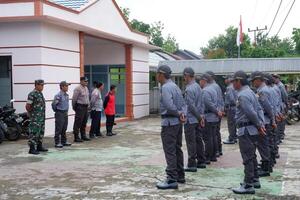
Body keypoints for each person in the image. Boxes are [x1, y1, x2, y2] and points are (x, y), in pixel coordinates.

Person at [232, 71, 265, 195]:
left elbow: (250, 112)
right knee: (252, 156)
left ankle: (248, 184)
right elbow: (259, 109)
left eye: (233, 81)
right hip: (252, 129)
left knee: (247, 158)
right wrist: (260, 124)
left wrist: (259, 124)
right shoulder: (251, 92)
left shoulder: (243, 95)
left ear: (238, 81)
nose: (232, 84)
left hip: (246, 130)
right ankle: (255, 179)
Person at [156, 65, 187, 190]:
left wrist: (179, 113)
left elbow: (169, 105)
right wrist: (182, 114)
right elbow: (183, 104)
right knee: (177, 149)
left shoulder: (165, 87)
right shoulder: (175, 86)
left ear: (161, 74)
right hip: (177, 123)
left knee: (170, 150)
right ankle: (180, 175)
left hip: (169, 122)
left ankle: (171, 179)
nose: (157, 76)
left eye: (157, 74)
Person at [250, 71, 276, 177]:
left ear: (258, 80)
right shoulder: (263, 90)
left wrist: (272, 120)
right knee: (264, 144)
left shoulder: (262, 91)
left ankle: (266, 168)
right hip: (266, 120)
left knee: (263, 145)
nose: (252, 83)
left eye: (253, 81)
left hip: (265, 121)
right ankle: (266, 165)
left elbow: (268, 108)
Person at [182, 67, 206, 172]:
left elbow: (191, 106)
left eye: (184, 76)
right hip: (197, 119)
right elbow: (201, 103)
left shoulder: (189, 89)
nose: (184, 78)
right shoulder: (197, 87)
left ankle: (192, 164)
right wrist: (201, 117)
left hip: (191, 119)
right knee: (198, 140)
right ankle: (201, 161)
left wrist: (199, 117)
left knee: (191, 142)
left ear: (187, 75)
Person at [199, 73, 223, 163]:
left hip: (209, 116)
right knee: (213, 137)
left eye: (200, 81)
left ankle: (208, 157)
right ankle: (213, 155)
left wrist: (216, 111)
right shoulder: (213, 89)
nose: (199, 83)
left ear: (204, 81)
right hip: (214, 117)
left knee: (208, 138)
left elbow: (208, 104)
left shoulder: (205, 91)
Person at [26, 79, 48, 155]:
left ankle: (39, 146)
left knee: (41, 132)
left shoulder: (40, 93)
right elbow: (28, 106)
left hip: (41, 118)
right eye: (41, 85)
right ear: (37, 85)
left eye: (43, 85)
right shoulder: (32, 94)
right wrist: (32, 114)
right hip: (35, 118)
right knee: (34, 133)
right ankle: (32, 149)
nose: (42, 87)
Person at [206, 71, 224, 156]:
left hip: (215, 112)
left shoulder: (213, 86)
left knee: (215, 133)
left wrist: (219, 111)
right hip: (217, 111)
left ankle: (217, 150)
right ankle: (218, 150)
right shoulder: (215, 86)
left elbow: (217, 101)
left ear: (211, 77)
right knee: (216, 132)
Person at [52, 81, 72, 148]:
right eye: (66, 86)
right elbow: (54, 104)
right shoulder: (58, 95)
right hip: (60, 113)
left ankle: (64, 141)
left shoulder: (66, 95)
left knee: (64, 128)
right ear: (62, 87)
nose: (67, 87)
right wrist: (57, 111)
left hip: (65, 113)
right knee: (59, 128)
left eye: (67, 86)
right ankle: (57, 142)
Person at [72, 77, 90, 142]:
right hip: (80, 107)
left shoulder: (86, 88)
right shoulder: (77, 88)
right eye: (85, 81)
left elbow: (87, 98)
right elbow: (74, 99)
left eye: (87, 81)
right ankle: (76, 137)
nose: (86, 82)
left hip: (86, 107)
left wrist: (88, 106)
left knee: (84, 122)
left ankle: (83, 135)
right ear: (81, 81)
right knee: (78, 122)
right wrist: (75, 107)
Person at [272, 74, 288, 144]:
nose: (274, 80)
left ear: (278, 79)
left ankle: (281, 134)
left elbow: (285, 96)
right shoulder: (276, 86)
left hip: (281, 105)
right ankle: (280, 135)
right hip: (279, 105)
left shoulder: (280, 86)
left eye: (275, 78)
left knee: (281, 121)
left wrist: (285, 104)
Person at [223, 75, 238, 144]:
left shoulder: (229, 88)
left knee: (231, 123)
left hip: (231, 108)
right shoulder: (234, 86)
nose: (225, 80)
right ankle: (234, 136)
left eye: (226, 78)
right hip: (235, 107)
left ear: (229, 79)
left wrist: (226, 106)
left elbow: (231, 99)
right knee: (234, 123)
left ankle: (232, 138)